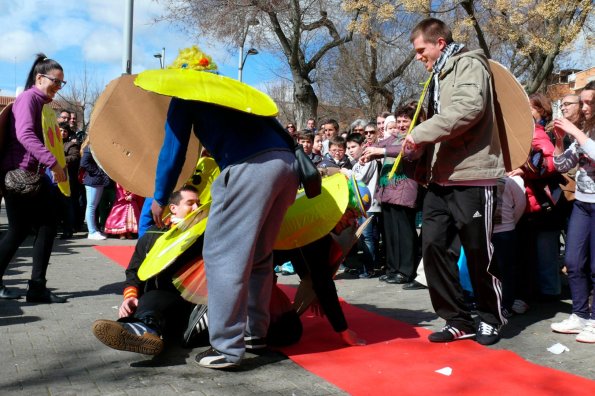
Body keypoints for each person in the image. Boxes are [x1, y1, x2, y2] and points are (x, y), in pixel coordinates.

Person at [148, 47, 298, 369]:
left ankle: (227, 348)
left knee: (222, 256)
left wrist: (160, 197)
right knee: (259, 256)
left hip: (248, 168)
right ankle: (255, 332)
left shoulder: (185, 96)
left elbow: (172, 152)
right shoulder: (231, 91)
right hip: (286, 166)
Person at [402, 18, 506, 345]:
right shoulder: (437, 76)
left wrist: (418, 133)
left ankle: (491, 317)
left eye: (421, 50)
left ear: (440, 44)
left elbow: (469, 108)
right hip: (440, 180)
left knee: (477, 251)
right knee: (432, 247)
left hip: (473, 177)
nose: (418, 57)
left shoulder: (469, 65)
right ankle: (458, 319)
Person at [92, 186, 204, 355]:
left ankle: (142, 328)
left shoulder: (204, 235)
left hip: (196, 302)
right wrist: (130, 297)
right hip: (161, 301)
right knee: (152, 298)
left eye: (199, 203)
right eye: (191, 203)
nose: (197, 208)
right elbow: (133, 272)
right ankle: (144, 330)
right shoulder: (152, 235)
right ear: (173, 208)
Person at [0, 54, 67, 303]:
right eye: (55, 82)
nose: (58, 87)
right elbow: (25, 135)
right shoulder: (28, 98)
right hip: (20, 176)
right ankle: (37, 288)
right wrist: (54, 163)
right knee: (39, 227)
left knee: (25, 230)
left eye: (62, 83)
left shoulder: (40, 103)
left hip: (27, 175)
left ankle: (37, 287)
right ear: (39, 78)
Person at [550, 81, 595, 342]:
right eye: (584, 102)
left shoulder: (583, 134)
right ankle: (579, 314)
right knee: (574, 261)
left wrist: (577, 135)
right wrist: (558, 140)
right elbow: (562, 164)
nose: (585, 107)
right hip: (581, 203)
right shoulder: (583, 131)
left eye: (590, 102)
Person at [362, 110, 420, 285]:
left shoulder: (416, 137)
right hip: (388, 191)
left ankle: (406, 271)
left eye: (405, 121)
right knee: (390, 235)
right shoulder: (393, 138)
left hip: (403, 191)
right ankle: (393, 268)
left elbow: (406, 151)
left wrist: (379, 149)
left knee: (404, 234)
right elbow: (378, 144)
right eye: (398, 121)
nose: (401, 125)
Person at [341, 133, 380, 277]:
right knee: (363, 238)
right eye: (348, 147)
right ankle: (366, 266)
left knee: (368, 237)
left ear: (362, 145)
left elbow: (360, 180)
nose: (351, 150)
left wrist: (348, 173)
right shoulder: (356, 163)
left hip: (370, 206)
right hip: (360, 206)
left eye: (354, 147)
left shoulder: (369, 160)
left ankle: (370, 269)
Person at [80, 138, 111, 241]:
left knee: (93, 206)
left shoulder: (92, 147)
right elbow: (84, 163)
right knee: (91, 206)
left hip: (96, 181)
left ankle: (94, 230)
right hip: (93, 181)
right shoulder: (90, 147)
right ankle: (92, 231)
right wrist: (98, 172)